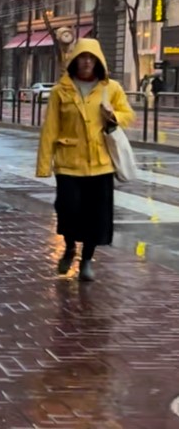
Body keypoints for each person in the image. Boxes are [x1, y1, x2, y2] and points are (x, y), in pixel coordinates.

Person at [36, 38, 134, 281]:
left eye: (91, 58)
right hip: (69, 163)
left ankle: (87, 260)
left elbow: (128, 114)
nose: (87, 62)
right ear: (75, 61)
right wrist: (43, 165)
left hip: (101, 164)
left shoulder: (111, 88)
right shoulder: (61, 90)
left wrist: (114, 116)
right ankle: (70, 247)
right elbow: (50, 128)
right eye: (82, 57)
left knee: (96, 216)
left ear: (98, 61)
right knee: (68, 209)